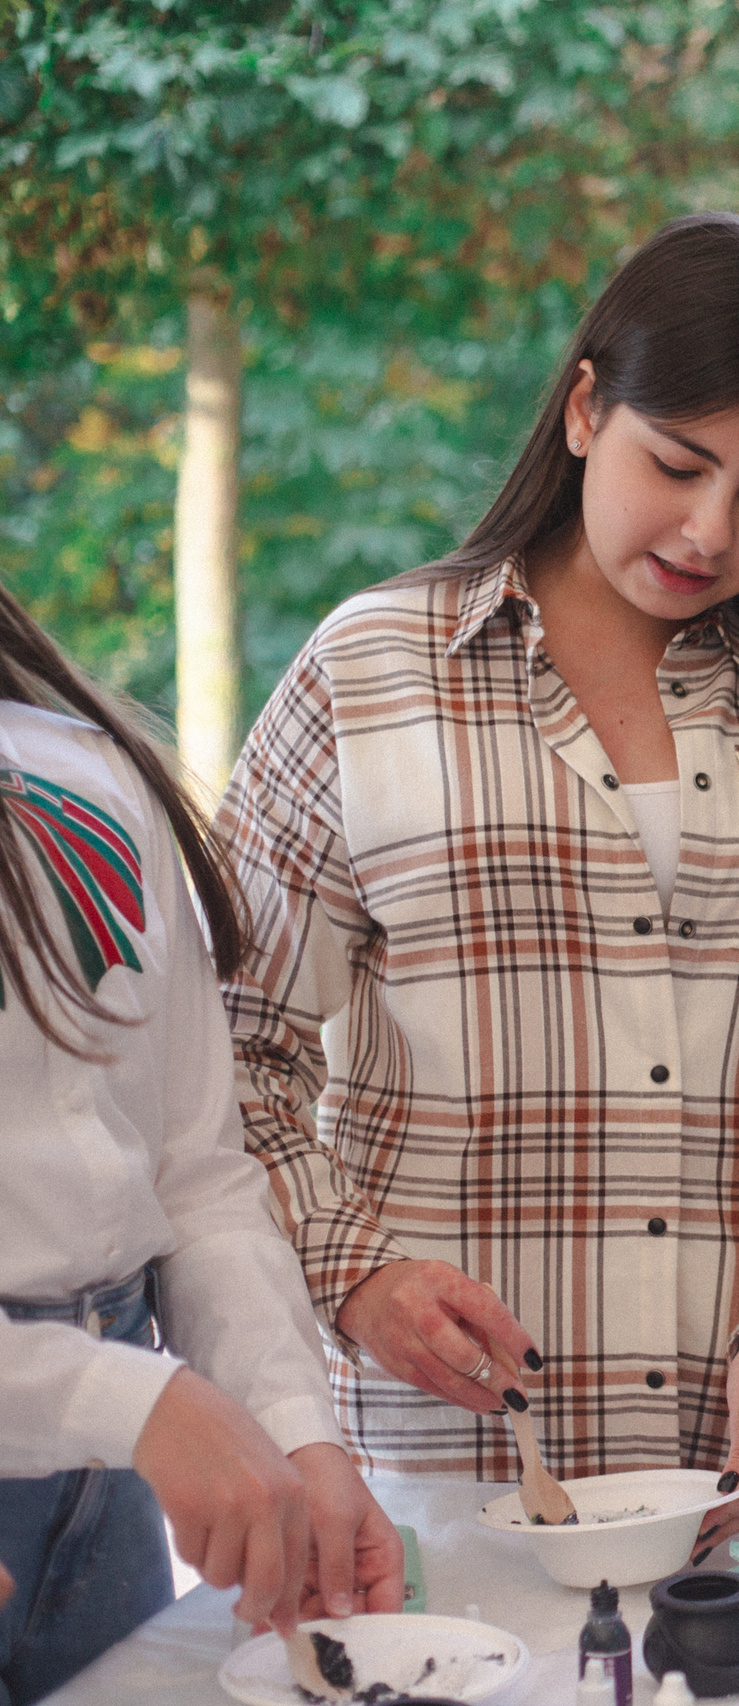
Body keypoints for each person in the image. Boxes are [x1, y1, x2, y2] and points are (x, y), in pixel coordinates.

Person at [217, 213, 739, 1551]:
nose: (708, 527)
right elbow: (225, 1052)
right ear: (583, 408)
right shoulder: (372, 673)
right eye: (677, 463)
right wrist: (360, 1272)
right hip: (454, 1491)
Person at [2, 587, 402, 1701]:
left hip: (116, 1469)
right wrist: (128, 1400)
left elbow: (196, 1172)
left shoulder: (79, 767)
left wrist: (295, 1430)